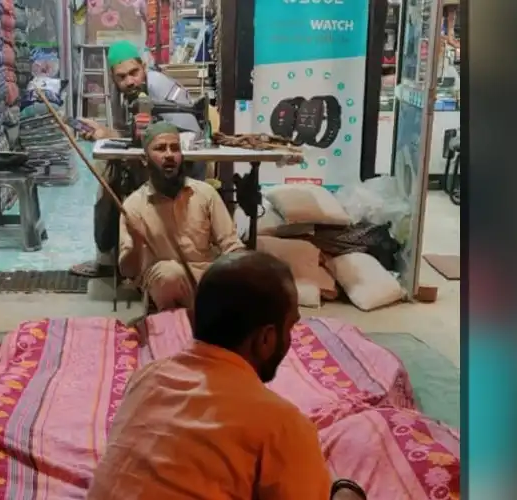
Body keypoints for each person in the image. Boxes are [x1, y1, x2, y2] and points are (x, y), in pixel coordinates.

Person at [86, 251, 366, 500]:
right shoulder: (282, 426)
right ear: (266, 339)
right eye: (291, 326)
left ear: (194, 319)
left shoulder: (145, 378)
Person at [71, 40, 208, 279]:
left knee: (109, 177)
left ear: (144, 67)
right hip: (153, 159)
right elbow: (132, 135)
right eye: (121, 77)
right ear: (114, 79)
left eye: (134, 72)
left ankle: (110, 259)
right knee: (107, 173)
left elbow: (185, 137)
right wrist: (103, 133)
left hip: (183, 164)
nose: (129, 81)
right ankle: (111, 257)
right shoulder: (125, 95)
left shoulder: (162, 89)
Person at [118, 122, 244, 311]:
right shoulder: (133, 206)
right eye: (160, 148)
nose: (169, 155)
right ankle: (177, 326)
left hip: (207, 280)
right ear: (145, 159)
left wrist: (245, 270)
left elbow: (231, 245)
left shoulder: (205, 193)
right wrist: (135, 242)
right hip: (165, 284)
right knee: (170, 273)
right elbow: (128, 271)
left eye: (175, 148)